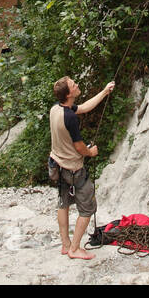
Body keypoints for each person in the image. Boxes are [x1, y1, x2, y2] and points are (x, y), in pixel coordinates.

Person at [48, 76, 114, 260]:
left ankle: (65, 244)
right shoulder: (70, 118)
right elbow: (79, 147)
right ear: (69, 94)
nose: (77, 85)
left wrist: (104, 90)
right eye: (74, 85)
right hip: (73, 169)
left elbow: (84, 107)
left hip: (57, 166)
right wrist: (91, 152)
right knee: (87, 207)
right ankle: (75, 249)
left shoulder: (56, 109)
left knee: (64, 203)